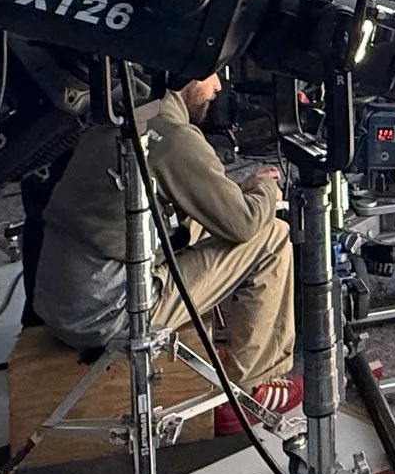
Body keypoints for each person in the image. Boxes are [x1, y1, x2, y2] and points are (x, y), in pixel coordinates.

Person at [31, 72, 296, 436]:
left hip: (60, 301)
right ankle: (250, 389)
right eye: (212, 75)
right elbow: (244, 224)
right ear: (186, 78)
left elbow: (198, 204)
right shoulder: (170, 136)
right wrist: (265, 189)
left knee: (205, 221)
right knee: (272, 236)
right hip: (109, 314)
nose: (218, 86)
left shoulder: (120, 114)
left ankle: (231, 354)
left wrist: (236, 193)